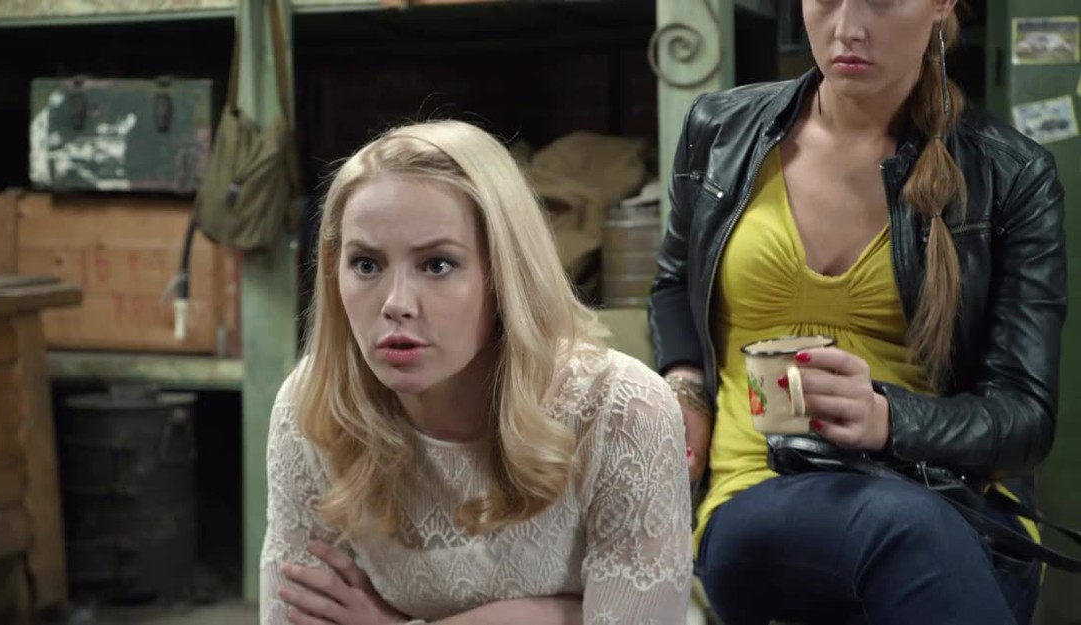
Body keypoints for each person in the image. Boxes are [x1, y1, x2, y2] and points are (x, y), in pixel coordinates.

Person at [649, 0, 1066, 623]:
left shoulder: (1011, 175)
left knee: (924, 539)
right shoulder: (720, 132)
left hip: (958, 501)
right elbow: (674, 284)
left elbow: (1024, 417)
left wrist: (885, 419)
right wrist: (686, 388)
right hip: (760, 490)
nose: (847, 27)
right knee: (907, 531)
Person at [260, 119, 693, 625]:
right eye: (367, 265)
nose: (396, 304)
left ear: (503, 274)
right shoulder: (316, 403)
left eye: (437, 265)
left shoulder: (622, 409)